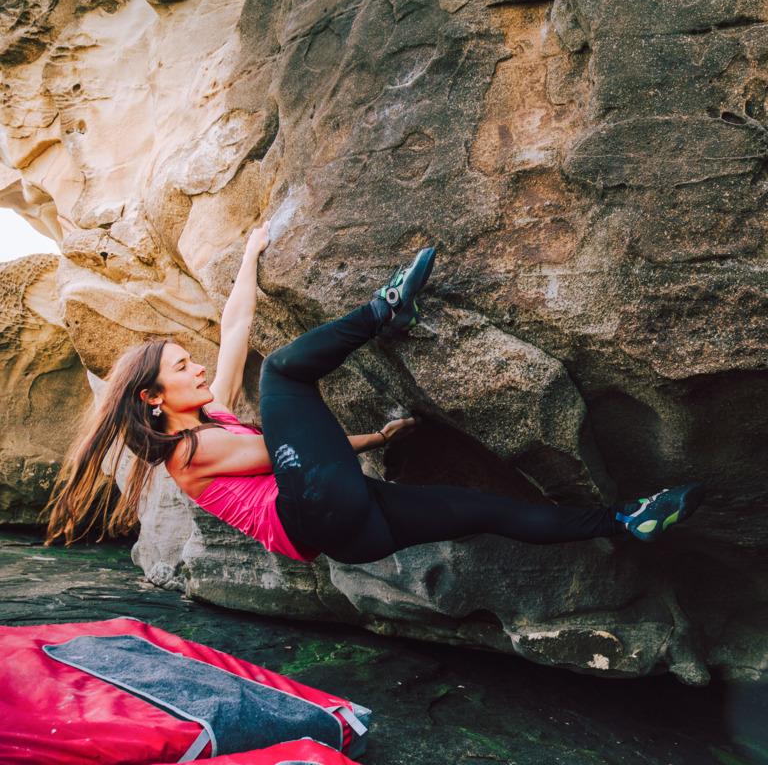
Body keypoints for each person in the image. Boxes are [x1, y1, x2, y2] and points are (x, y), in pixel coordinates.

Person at [46, 222, 704, 564]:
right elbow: (289, 454)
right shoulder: (185, 455)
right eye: (181, 368)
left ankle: (622, 522)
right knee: (281, 374)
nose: (197, 371)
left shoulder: (210, 418)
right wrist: (355, 442)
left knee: (481, 510)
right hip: (318, 510)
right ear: (153, 398)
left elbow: (237, 329)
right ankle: (386, 311)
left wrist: (249, 258)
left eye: (192, 362)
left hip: (352, 528)